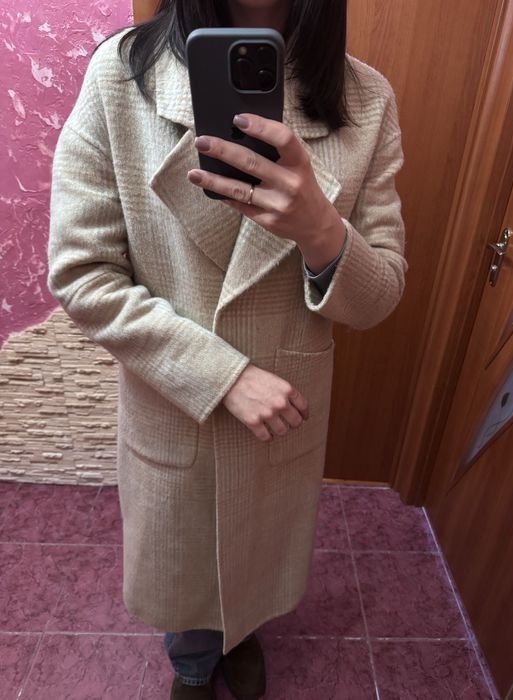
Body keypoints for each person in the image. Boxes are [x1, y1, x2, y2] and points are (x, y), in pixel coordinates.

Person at [47, 1, 408, 698]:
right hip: (176, 398)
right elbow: (83, 274)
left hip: (285, 411)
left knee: (256, 557)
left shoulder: (365, 99)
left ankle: (240, 635)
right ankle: (191, 662)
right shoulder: (121, 76)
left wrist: (320, 230)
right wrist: (222, 375)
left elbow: (379, 297)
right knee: (185, 566)